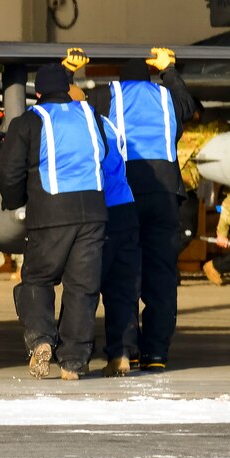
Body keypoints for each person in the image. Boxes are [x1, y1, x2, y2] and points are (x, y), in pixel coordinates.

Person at [0, 61, 109, 380]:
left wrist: (15, 200)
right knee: (82, 288)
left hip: (50, 213)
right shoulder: (90, 115)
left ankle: (42, 340)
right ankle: (73, 361)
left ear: (38, 92)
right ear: (67, 90)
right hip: (94, 213)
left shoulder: (30, 121)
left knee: (37, 280)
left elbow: (10, 171)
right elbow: (102, 153)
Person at [87, 49, 196, 371]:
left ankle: (126, 349)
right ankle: (156, 354)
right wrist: (170, 70)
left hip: (127, 192)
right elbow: (188, 107)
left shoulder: (108, 96)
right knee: (161, 275)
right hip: (165, 193)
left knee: (124, 274)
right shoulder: (166, 97)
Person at [97, 125, 141, 376]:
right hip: (126, 206)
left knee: (85, 286)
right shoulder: (110, 126)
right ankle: (121, 352)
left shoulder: (81, 125)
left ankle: (73, 356)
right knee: (122, 289)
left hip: (98, 208)